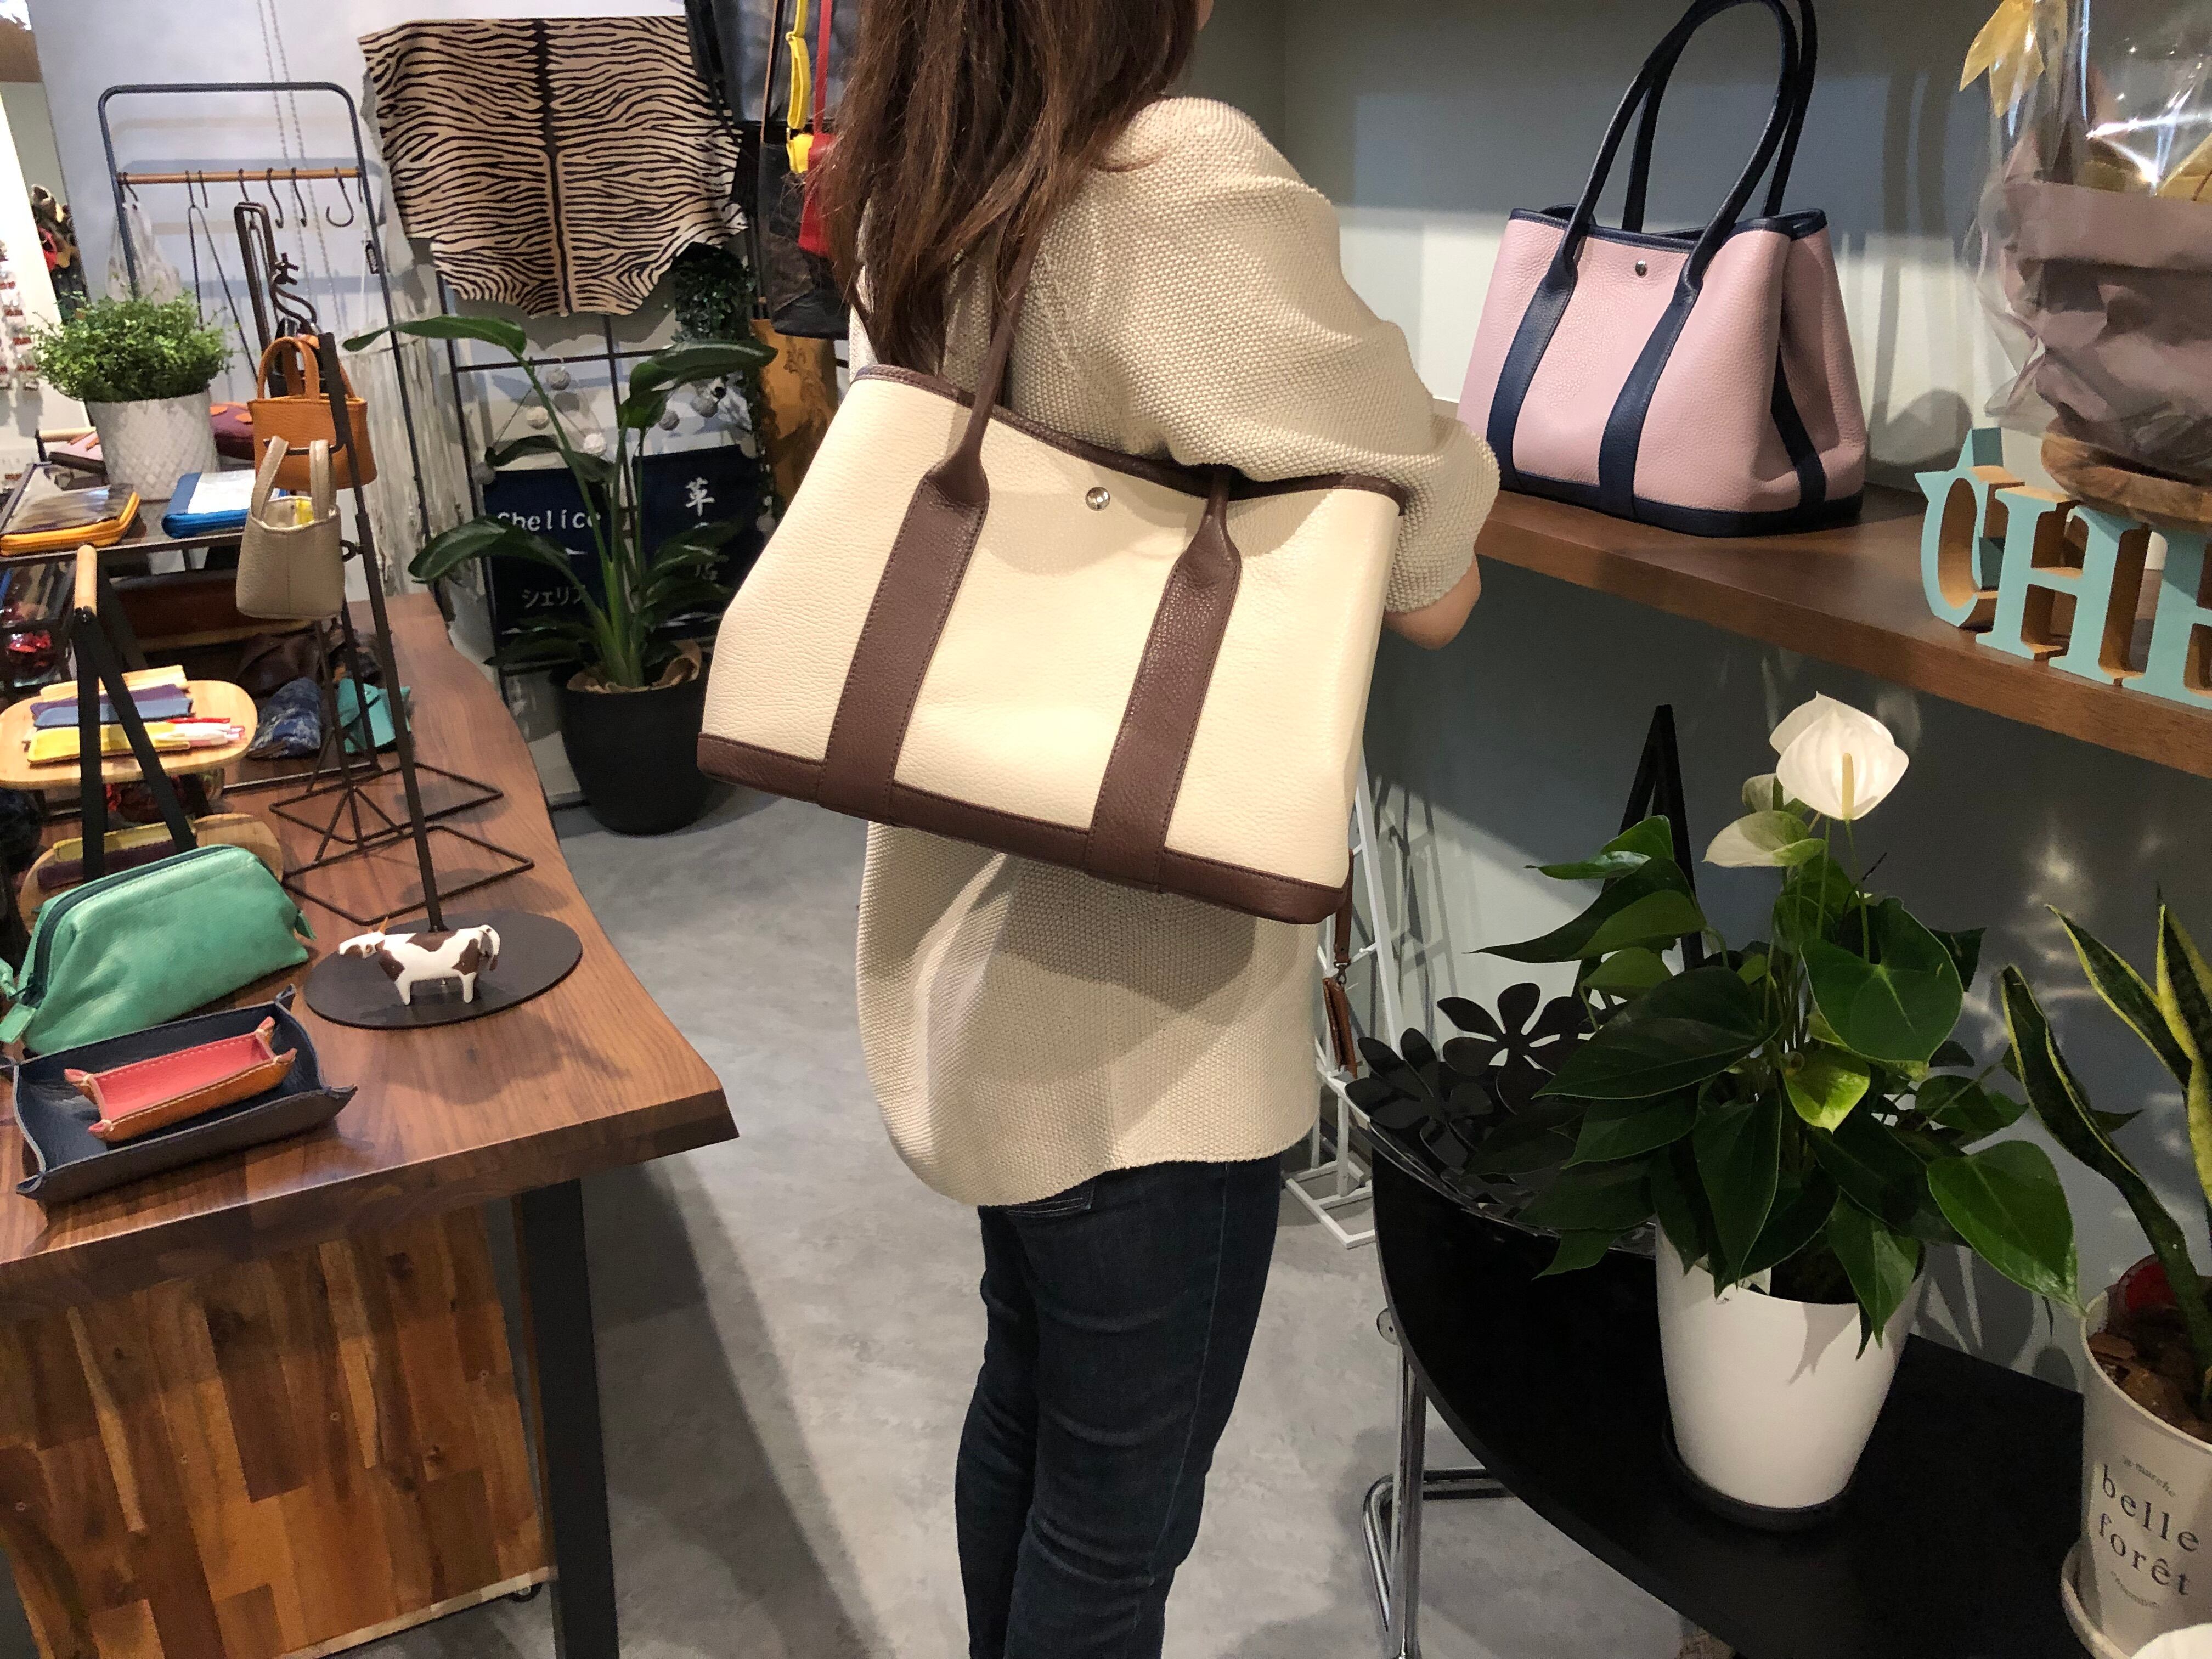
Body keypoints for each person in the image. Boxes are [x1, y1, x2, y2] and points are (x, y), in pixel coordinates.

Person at [820, 1, 1497, 1653]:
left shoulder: (930, 183)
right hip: (1140, 1028)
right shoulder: (1175, 182)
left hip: (980, 960)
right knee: (1121, 1519)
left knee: (1029, 1400)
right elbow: (1435, 576)